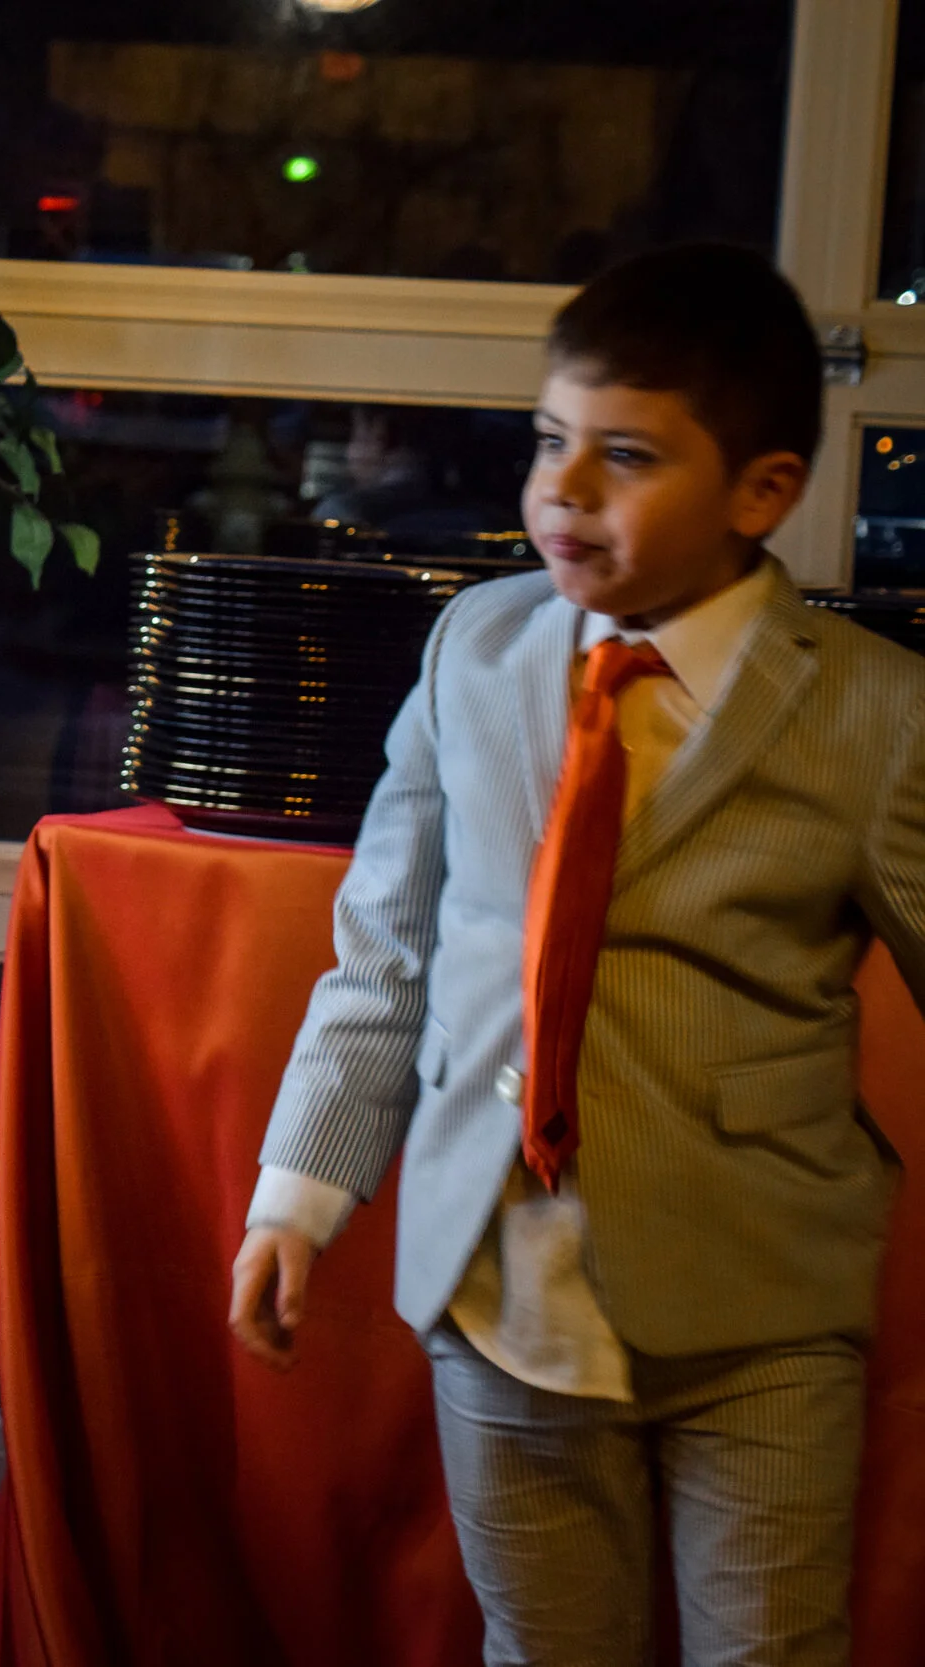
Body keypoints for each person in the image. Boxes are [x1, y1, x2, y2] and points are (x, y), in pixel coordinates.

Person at [227, 243, 925, 1665]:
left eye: (627, 456)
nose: (563, 489)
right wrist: (295, 1196)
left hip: (761, 1305)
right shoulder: (472, 649)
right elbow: (384, 954)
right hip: (499, 1284)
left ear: (762, 490)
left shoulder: (879, 715)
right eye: (550, 440)